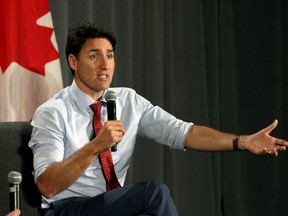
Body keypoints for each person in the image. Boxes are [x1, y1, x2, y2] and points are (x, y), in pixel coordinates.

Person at [28, 22, 288, 216]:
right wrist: (96, 145)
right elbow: (47, 185)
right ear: (73, 61)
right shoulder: (53, 112)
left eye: (110, 55)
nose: (105, 65)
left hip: (112, 204)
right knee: (153, 192)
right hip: (66, 209)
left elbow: (184, 133)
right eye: (94, 56)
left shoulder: (127, 100)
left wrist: (241, 141)